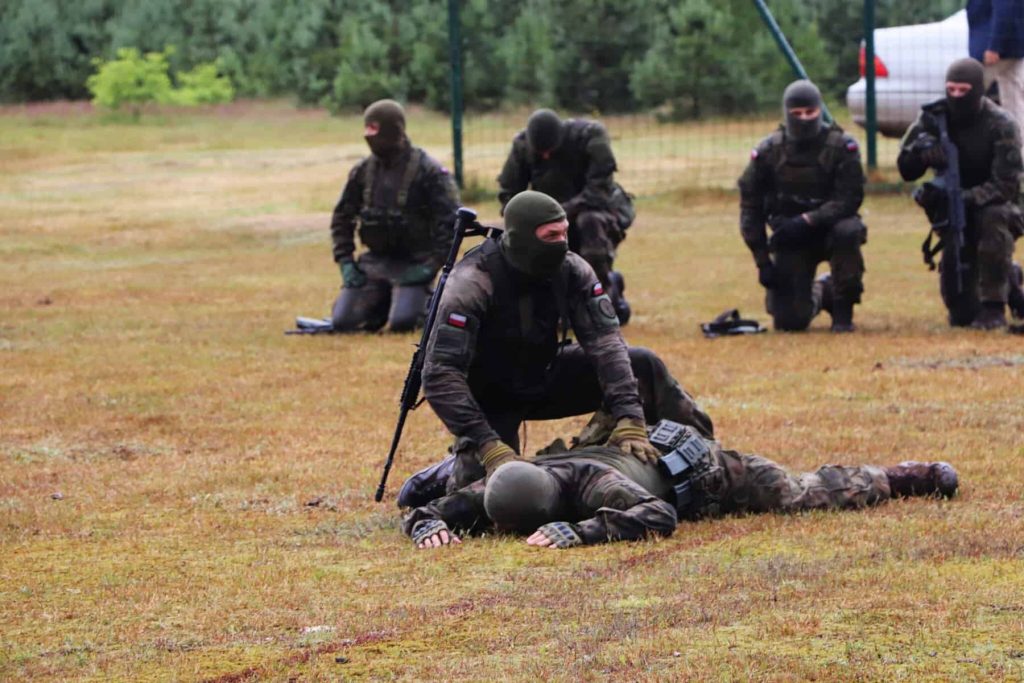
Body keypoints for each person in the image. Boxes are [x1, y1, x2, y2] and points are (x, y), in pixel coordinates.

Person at [399, 190, 713, 507]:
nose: (562, 242)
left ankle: (708, 455)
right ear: (521, 237)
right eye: (551, 235)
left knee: (643, 363)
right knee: (491, 496)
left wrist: (629, 416)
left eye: (564, 233)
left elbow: (606, 344)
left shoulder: (572, 268)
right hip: (491, 398)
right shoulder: (471, 282)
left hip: (544, 375)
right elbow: (440, 375)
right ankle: (447, 470)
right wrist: (487, 445)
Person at [402, 419, 959, 549]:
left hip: (700, 471)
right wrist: (426, 526)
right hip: (622, 443)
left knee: (799, 491)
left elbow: (659, 516)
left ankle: (907, 476)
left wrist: (582, 533)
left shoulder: (597, 487)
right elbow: (436, 511)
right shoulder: (508, 483)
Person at [898, 58, 1024, 329]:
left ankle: (994, 306)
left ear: (978, 90)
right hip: (953, 210)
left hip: (1001, 207)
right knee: (961, 314)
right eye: (951, 89)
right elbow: (905, 169)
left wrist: (965, 198)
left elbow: (1006, 186)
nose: (956, 96)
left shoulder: (1001, 124)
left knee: (992, 218)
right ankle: (1010, 279)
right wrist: (921, 154)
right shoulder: (933, 117)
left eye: (963, 90)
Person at [738, 80, 867, 333]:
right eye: (797, 113)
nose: (805, 119)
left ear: (820, 110)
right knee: (789, 322)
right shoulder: (768, 152)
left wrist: (808, 220)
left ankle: (843, 306)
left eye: (811, 112)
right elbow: (750, 207)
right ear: (786, 113)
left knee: (848, 230)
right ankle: (823, 291)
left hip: (831, 230)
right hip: (790, 237)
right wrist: (763, 262)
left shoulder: (842, 147)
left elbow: (849, 199)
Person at [327, 99, 460, 332]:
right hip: (375, 263)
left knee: (403, 322)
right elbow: (342, 217)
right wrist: (345, 261)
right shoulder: (363, 171)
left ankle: (422, 301)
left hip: (415, 262)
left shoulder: (428, 171)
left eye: (375, 132)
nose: (370, 139)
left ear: (394, 131)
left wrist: (432, 265)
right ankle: (381, 303)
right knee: (344, 322)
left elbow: (451, 222)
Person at [497, 109, 636, 323]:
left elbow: (598, 191)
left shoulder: (589, 136)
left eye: (550, 151)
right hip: (550, 216)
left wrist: (556, 215)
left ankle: (601, 303)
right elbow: (509, 194)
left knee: (590, 224)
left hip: (596, 211)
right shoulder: (523, 146)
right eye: (540, 153)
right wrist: (525, 220)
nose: (545, 156)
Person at [967, 0, 1024, 135]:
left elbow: (1005, 8)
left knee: (966, 95)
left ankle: (962, 141)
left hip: (994, 49)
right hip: (1013, 47)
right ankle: (1017, 142)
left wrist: (994, 46)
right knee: (1013, 101)